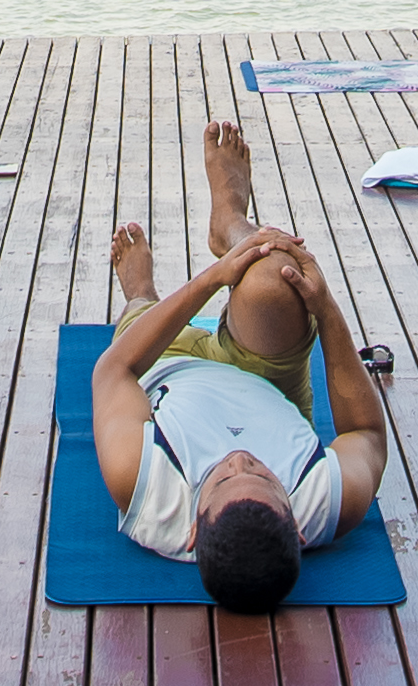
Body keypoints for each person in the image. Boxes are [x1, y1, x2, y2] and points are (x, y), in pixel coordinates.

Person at [90, 121, 390, 612]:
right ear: (295, 519)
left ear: (191, 527)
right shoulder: (322, 501)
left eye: (224, 479)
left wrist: (215, 279)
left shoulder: (144, 483)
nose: (239, 459)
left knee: (138, 317)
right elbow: (367, 435)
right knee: (278, 275)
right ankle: (230, 221)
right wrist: (327, 310)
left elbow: (113, 371)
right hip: (265, 378)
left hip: (167, 362)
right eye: (263, 473)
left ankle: (139, 293)